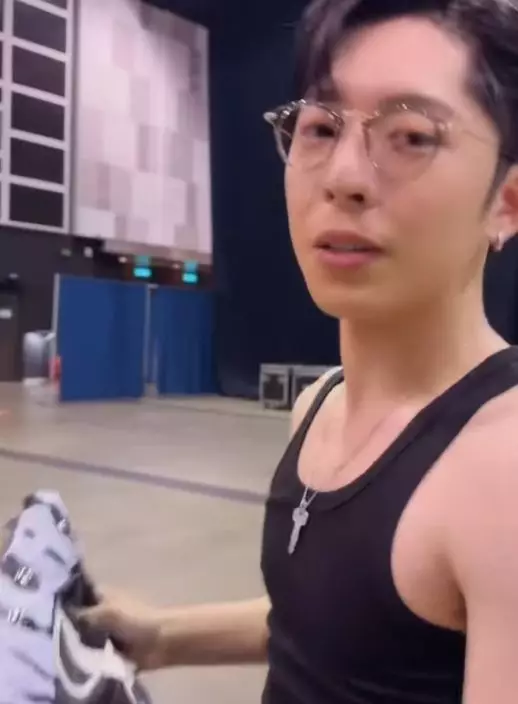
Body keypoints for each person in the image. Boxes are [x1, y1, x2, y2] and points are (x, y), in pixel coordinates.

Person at [83, 0, 518, 701]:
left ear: (508, 202)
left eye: (411, 136)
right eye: (320, 127)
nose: (343, 175)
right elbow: (330, 623)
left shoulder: (503, 473)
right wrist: (162, 637)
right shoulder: (319, 407)